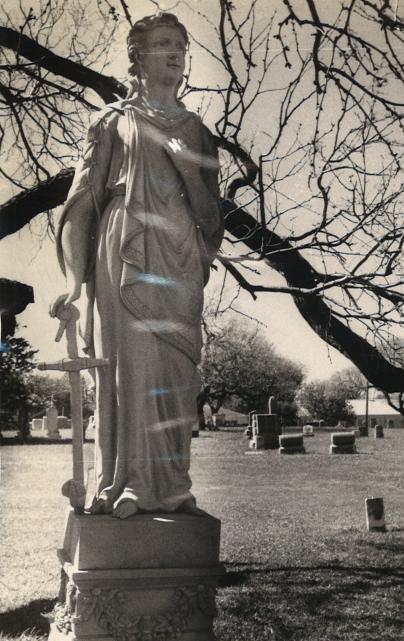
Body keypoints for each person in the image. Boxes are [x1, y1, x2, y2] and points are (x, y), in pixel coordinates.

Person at [51, 13, 223, 519]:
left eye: (181, 46)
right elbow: (80, 206)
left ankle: (170, 487)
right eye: (164, 43)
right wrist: (74, 285)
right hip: (124, 248)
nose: (175, 53)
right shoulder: (112, 122)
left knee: (175, 372)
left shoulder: (196, 130)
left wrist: (190, 171)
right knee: (129, 372)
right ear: (138, 55)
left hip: (180, 258)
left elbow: (212, 220)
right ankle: (123, 482)